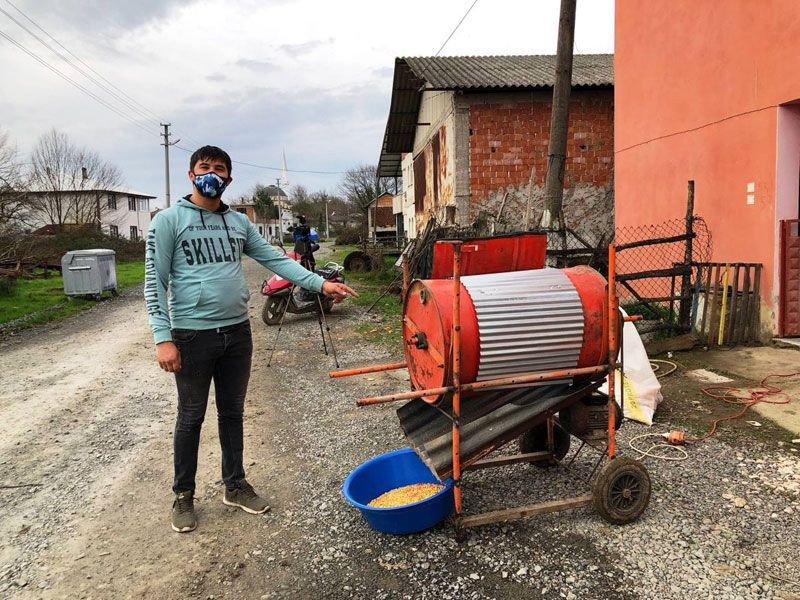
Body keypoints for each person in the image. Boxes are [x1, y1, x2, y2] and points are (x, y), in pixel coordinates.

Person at [145, 145, 357, 533]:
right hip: (191, 335)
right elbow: (154, 283)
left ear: (228, 178)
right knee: (191, 416)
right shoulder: (169, 221)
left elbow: (277, 261)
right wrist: (163, 337)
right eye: (204, 167)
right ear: (191, 175)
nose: (212, 173)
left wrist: (321, 285)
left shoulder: (240, 225)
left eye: (219, 168)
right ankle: (183, 496)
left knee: (232, 413)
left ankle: (235, 485)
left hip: (237, 333)